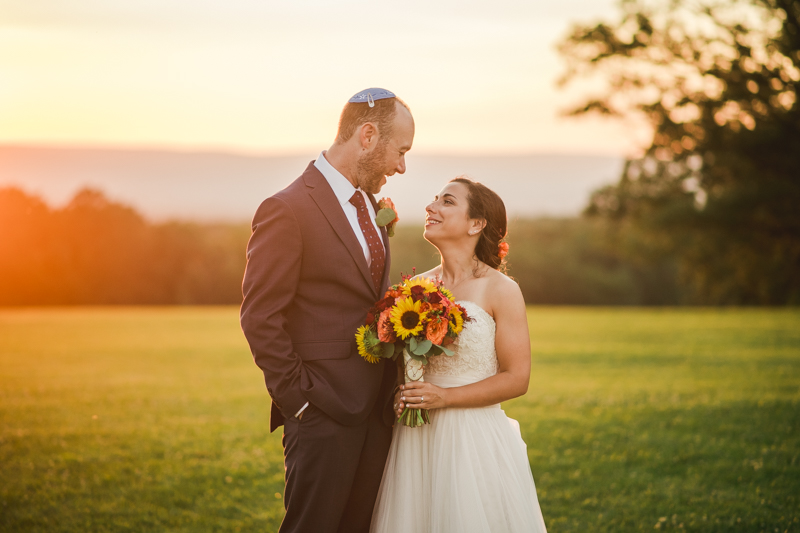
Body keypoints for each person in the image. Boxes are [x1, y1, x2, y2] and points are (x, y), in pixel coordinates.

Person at [240, 88, 414, 533]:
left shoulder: (371, 207)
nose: (401, 166)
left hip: (375, 412)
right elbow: (260, 317)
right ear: (368, 136)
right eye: (401, 151)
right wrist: (299, 402)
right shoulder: (287, 209)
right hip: (321, 414)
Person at [370, 178, 548, 532]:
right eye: (434, 198)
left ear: (476, 224)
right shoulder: (414, 288)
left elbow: (517, 378)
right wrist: (400, 394)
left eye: (446, 201)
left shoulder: (501, 289)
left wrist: (446, 396)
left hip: (472, 440)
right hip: (416, 439)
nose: (431, 206)